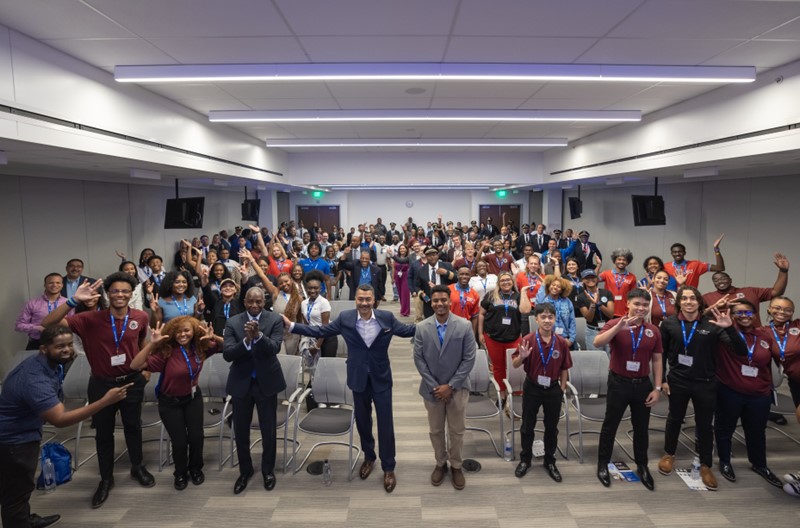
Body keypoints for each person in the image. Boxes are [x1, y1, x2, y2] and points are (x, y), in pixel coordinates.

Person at [283, 284, 415, 493]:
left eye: (368, 299)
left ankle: (389, 467)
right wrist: (292, 326)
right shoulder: (345, 318)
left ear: (374, 301)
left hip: (381, 378)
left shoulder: (386, 318)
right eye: (360, 299)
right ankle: (369, 457)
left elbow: (408, 331)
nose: (364, 303)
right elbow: (320, 330)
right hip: (357, 378)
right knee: (363, 421)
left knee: (386, 424)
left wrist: (434, 323)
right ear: (355, 300)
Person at [41, 272, 154, 508]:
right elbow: (47, 324)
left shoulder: (141, 316)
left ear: (131, 294)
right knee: (104, 433)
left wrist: (147, 369)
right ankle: (106, 479)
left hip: (132, 381)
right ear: (107, 294)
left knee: (133, 427)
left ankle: (137, 467)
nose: (120, 295)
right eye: (115, 291)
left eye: (125, 291)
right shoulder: (89, 319)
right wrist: (71, 301)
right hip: (102, 383)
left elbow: (142, 343)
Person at [0, 326, 131, 528]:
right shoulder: (36, 379)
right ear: (43, 349)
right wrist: (105, 401)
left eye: (69, 344)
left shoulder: (48, 364)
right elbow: (60, 419)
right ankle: (18, 523)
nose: (67, 350)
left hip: (23, 432)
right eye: (59, 346)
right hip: (14, 441)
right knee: (16, 491)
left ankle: (23, 519)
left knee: (19, 486)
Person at [657, 285, 748, 491]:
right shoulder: (669, 324)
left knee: (705, 425)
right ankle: (669, 454)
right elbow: (661, 354)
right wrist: (662, 379)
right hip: (678, 381)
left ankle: (706, 464)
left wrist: (729, 328)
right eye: (685, 298)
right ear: (679, 302)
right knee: (674, 419)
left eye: (693, 298)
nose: (689, 302)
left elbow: (741, 352)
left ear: (699, 302)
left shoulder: (714, 324)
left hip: (705, 382)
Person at [130, 317, 218, 490]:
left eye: (186, 330)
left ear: (194, 331)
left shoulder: (199, 347)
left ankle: (195, 469)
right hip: (170, 402)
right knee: (179, 441)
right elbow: (135, 365)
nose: (182, 334)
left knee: (196, 437)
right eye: (178, 331)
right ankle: (180, 473)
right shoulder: (166, 352)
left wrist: (212, 337)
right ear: (171, 334)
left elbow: (224, 346)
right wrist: (152, 344)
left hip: (192, 398)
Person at [593, 289, 663, 490]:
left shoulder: (653, 330)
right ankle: (602, 463)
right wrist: (618, 328)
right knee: (611, 425)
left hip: (642, 384)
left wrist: (657, 388)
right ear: (628, 305)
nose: (640, 308)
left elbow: (657, 360)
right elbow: (598, 342)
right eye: (637, 304)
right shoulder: (615, 324)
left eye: (644, 305)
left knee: (641, 428)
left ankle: (642, 466)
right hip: (618, 383)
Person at [713, 300, 783, 488]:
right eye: (739, 313)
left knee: (757, 432)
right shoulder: (723, 333)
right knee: (724, 430)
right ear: (731, 314)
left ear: (754, 314)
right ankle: (725, 462)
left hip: (759, 393)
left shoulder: (764, 336)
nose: (744, 316)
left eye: (748, 312)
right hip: (730, 390)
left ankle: (760, 465)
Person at [413, 285, 476, 490]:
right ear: (430, 303)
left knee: (457, 430)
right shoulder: (422, 327)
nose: (439, 304)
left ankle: (456, 465)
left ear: (450, 302)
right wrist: (436, 386)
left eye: (443, 300)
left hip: (457, 389)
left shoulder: (464, 326)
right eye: (435, 301)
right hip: (432, 390)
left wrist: (450, 386)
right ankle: (440, 463)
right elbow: (419, 359)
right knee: (436, 430)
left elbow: (469, 359)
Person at [223, 288, 285, 495]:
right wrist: (247, 341)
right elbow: (228, 354)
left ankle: (268, 470)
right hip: (242, 382)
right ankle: (245, 471)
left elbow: (275, 348)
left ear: (264, 301)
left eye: (259, 301)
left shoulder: (274, 319)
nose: (255, 306)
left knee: (268, 430)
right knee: (241, 430)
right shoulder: (233, 322)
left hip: (266, 381)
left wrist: (258, 336)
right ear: (245, 301)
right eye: (251, 302)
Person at [512, 303, 572, 482]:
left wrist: (561, 388)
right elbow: (515, 364)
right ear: (536, 319)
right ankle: (525, 459)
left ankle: (550, 461)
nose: (547, 321)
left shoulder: (561, 342)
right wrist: (521, 357)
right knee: (527, 426)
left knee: (551, 427)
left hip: (553, 389)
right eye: (543, 317)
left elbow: (564, 368)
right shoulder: (528, 340)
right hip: (532, 388)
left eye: (550, 317)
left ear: (555, 319)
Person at [702, 253, 789, 326]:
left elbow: (777, 292)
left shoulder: (750, 291)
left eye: (723, 278)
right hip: (724, 339)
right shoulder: (707, 297)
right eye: (715, 280)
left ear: (730, 280)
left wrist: (783, 271)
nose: (720, 281)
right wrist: (715, 307)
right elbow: (698, 315)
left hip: (754, 337)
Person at [478, 271, 524, 403]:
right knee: (498, 367)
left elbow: (525, 312)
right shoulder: (491, 296)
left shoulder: (518, 296)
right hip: (493, 337)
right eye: (503, 280)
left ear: (513, 282)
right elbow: (481, 314)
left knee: (515, 367)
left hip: (514, 337)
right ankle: (502, 394)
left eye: (508, 280)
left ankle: (515, 393)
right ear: (498, 283)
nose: (506, 282)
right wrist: (480, 333)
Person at [15, 273, 68, 350]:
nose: (54, 285)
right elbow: (19, 326)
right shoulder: (32, 303)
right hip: (37, 343)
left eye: (58, 283)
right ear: (45, 285)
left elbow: (73, 324)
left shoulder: (68, 303)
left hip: (62, 343)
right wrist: (37, 328)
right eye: (51, 283)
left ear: (62, 285)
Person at [575, 269, 615, 351]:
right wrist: (593, 305)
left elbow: (610, 314)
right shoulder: (581, 297)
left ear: (597, 279)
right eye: (587, 278)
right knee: (597, 360)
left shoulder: (606, 293)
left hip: (608, 330)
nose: (590, 280)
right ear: (583, 280)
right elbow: (589, 318)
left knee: (611, 359)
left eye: (592, 277)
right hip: (592, 332)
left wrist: (598, 304)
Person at [533, 275, 577, 348]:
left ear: (561, 290)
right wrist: (543, 285)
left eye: (558, 286)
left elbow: (572, 321)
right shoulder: (543, 300)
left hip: (565, 339)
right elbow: (538, 304)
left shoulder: (567, 301)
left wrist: (571, 339)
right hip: (548, 339)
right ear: (549, 286)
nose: (555, 287)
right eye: (553, 285)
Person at [416, 247, 456, 318]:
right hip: (429, 303)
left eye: (434, 255)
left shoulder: (447, 265)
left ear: (437, 256)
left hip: (445, 301)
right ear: (426, 257)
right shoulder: (421, 270)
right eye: (429, 255)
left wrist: (446, 273)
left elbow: (456, 279)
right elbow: (417, 286)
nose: (432, 257)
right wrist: (421, 294)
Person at [598, 248, 637, 318]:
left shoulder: (632, 277)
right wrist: (598, 266)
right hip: (608, 311)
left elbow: (633, 296)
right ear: (614, 260)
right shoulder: (606, 274)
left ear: (628, 262)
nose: (621, 262)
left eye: (624, 260)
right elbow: (593, 280)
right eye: (619, 259)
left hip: (625, 312)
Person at [448, 267, 481, 339]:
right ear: (457, 275)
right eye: (461, 274)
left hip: (466, 328)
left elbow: (474, 317)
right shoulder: (448, 290)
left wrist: (473, 335)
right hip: (450, 327)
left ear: (470, 276)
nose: (464, 276)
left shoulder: (475, 294)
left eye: (467, 274)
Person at [391, 243, 412, 317]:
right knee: (400, 294)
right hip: (397, 276)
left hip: (405, 275)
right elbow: (393, 267)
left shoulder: (409, 258)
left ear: (406, 249)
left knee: (405, 294)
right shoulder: (396, 257)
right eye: (401, 248)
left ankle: (405, 311)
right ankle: (403, 308)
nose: (402, 250)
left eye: (403, 248)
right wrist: (392, 278)